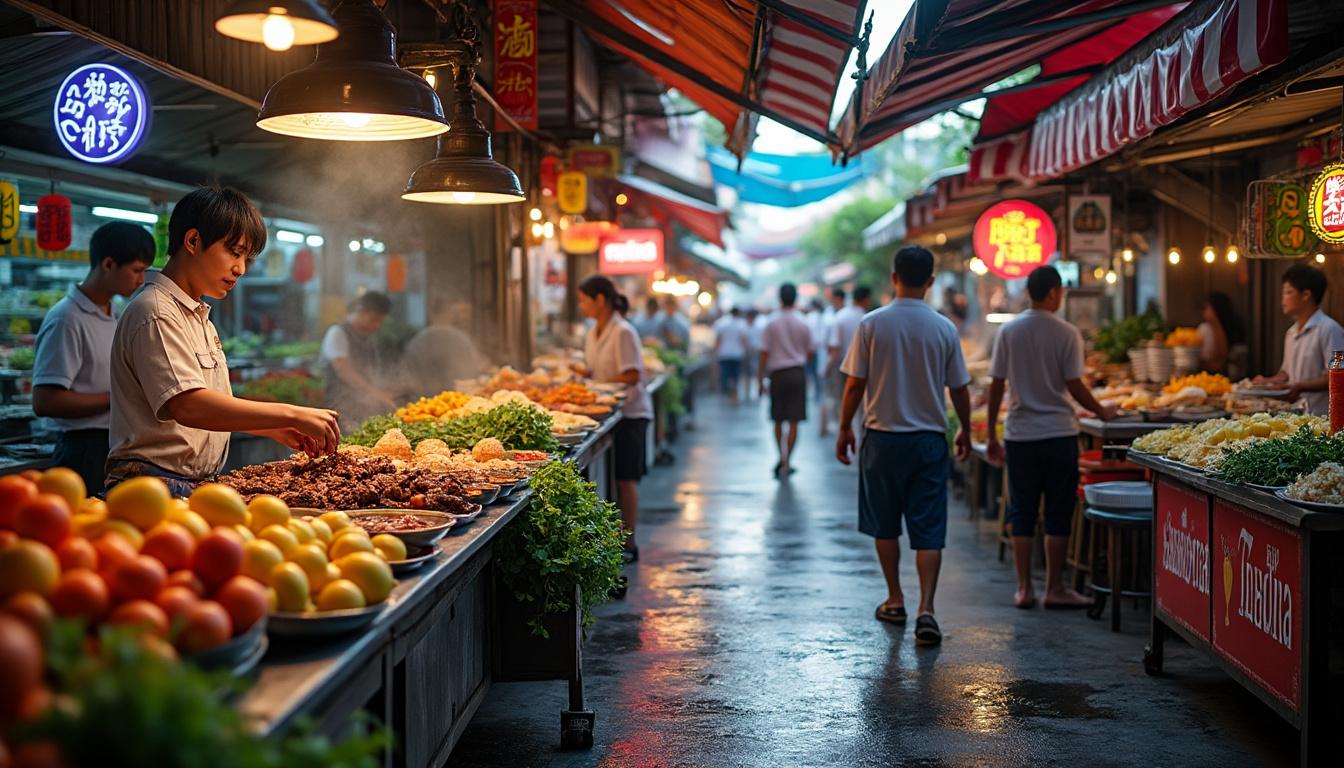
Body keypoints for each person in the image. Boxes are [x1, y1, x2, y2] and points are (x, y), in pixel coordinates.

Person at [106, 186, 340, 495]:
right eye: (234, 251)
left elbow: (208, 408)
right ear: (192, 241)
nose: (240, 269)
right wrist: (292, 413)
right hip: (152, 488)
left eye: (246, 257)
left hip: (195, 484)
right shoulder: (156, 312)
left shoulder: (199, 318)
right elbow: (187, 405)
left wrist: (273, 428)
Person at [835, 246, 971, 647]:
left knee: (885, 523)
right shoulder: (944, 327)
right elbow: (959, 387)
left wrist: (844, 427)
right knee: (929, 529)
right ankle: (927, 609)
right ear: (930, 281)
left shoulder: (871, 324)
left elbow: (855, 383)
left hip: (882, 440)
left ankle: (895, 599)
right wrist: (964, 427)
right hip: (929, 440)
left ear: (894, 277)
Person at [984, 266, 1117, 610]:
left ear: (1028, 292)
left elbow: (996, 384)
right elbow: (1075, 384)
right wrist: (1103, 412)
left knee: (1022, 509)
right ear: (1055, 292)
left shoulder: (1009, 331)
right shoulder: (1067, 332)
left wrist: (991, 432)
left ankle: (1024, 588)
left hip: (1020, 434)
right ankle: (1055, 588)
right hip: (1058, 433)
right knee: (1058, 510)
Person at [32, 222, 154, 493]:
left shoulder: (114, 313)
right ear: (109, 264)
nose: (141, 280)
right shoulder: (67, 318)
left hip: (113, 443)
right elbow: (45, 401)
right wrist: (119, 398)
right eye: (136, 270)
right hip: (84, 449)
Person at [577, 276, 652, 563]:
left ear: (600, 300)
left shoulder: (623, 332)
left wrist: (600, 381)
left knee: (625, 479)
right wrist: (585, 375)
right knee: (613, 480)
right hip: (606, 414)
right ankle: (612, 537)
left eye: (584, 300)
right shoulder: (592, 331)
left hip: (631, 413)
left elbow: (633, 375)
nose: (581, 306)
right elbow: (594, 369)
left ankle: (629, 542)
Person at [1255, 264, 1344, 415]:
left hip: (1322, 417)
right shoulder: (1291, 332)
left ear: (1306, 295)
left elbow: (1338, 375)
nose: (1283, 299)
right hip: (1297, 415)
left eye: (1288, 292)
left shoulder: (1330, 329)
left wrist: (1300, 386)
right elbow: (1286, 373)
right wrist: (1266, 383)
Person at [758, 283, 813, 479]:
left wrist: (760, 378)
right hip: (797, 373)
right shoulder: (803, 322)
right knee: (795, 420)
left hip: (777, 374)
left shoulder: (771, 322)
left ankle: (780, 457)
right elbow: (810, 351)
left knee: (778, 418)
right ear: (796, 298)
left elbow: (764, 353)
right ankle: (788, 459)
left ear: (780, 298)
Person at [321, 291, 396, 429]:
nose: (377, 325)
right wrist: (375, 393)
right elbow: (343, 369)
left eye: (380, 321)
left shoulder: (369, 339)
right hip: (339, 410)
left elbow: (372, 372)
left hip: (363, 410)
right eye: (374, 320)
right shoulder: (337, 333)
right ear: (362, 311)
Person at [402, 298, 485, 396]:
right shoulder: (461, 339)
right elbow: (473, 369)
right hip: (456, 398)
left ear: (431, 313)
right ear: (450, 314)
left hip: (422, 398)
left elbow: (407, 372)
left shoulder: (418, 341)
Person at [823, 286, 872, 437]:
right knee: (864, 407)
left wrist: (828, 366)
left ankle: (845, 432)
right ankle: (861, 439)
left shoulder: (841, 316)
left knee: (843, 401)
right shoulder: (868, 318)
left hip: (842, 366)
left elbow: (834, 346)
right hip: (865, 368)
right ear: (865, 299)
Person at [1198, 291, 1246, 375]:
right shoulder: (1204, 328)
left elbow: (1219, 361)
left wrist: (1215, 323)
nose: (1203, 312)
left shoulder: (1231, 328)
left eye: (1205, 308)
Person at [712, 307, 750, 406]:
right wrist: (746, 352)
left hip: (724, 353)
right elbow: (743, 340)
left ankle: (729, 394)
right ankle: (733, 395)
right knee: (735, 376)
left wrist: (715, 352)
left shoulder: (721, 323)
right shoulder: (741, 324)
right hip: (737, 354)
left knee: (725, 375)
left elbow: (717, 339)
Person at [745, 308, 764, 401]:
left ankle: (756, 392)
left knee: (756, 372)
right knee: (747, 373)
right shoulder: (744, 327)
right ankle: (747, 393)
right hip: (747, 352)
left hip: (756, 351)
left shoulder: (758, 327)